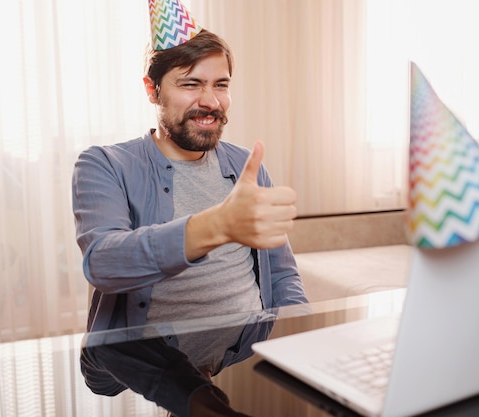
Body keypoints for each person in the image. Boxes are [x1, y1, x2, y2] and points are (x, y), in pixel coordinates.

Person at [72, 0, 309, 377]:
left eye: (221, 85)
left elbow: (281, 275)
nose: (210, 101)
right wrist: (218, 225)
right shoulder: (104, 164)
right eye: (191, 84)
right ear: (153, 90)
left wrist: (302, 344)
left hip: (244, 360)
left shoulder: (245, 166)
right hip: (145, 373)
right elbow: (103, 262)